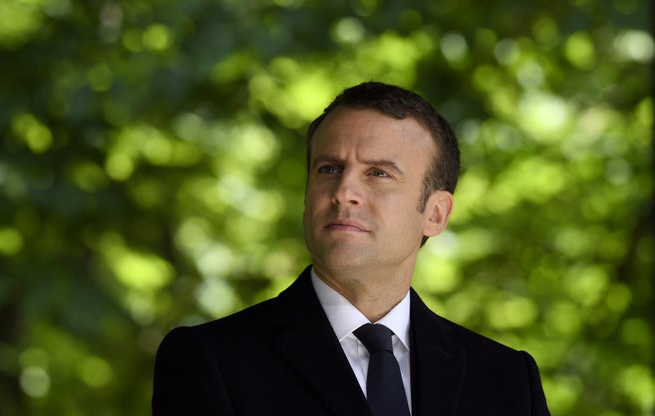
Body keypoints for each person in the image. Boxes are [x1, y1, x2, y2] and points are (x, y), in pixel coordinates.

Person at [152, 81, 550, 415]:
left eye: (378, 173)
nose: (344, 192)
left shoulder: (508, 379)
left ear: (436, 214)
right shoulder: (212, 360)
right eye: (329, 169)